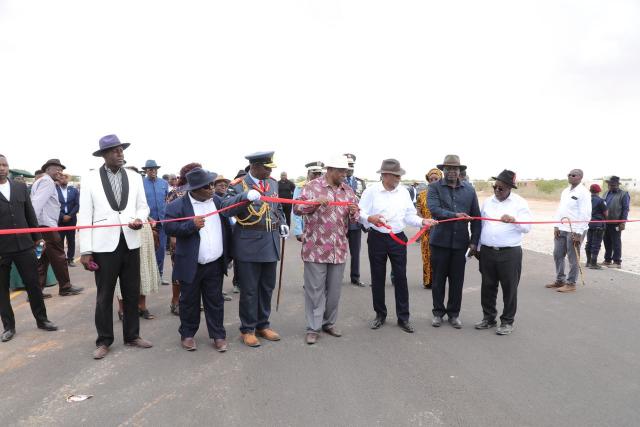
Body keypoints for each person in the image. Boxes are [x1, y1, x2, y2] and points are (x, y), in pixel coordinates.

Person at [78, 134, 153, 359]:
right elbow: (85, 215)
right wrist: (85, 250)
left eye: (121, 150)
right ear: (104, 155)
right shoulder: (90, 179)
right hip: (103, 246)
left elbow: (143, 207)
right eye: (115, 151)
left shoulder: (134, 177)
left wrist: (140, 218)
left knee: (131, 291)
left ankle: (132, 336)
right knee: (104, 295)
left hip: (131, 240)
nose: (120, 154)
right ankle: (104, 341)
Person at [359, 159, 437, 333]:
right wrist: (369, 218)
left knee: (401, 277)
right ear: (384, 175)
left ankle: (404, 318)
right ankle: (380, 314)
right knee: (377, 277)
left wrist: (423, 221)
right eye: (395, 176)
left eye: (399, 176)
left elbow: (409, 216)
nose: (398, 179)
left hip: (398, 239)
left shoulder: (404, 193)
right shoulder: (371, 192)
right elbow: (359, 212)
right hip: (377, 238)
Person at [221, 151, 288, 348]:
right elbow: (225, 209)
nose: (269, 171)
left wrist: (282, 223)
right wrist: (244, 197)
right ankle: (248, 329)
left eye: (270, 168)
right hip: (249, 242)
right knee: (250, 290)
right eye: (266, 167)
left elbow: (278, 207)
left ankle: (262, 325)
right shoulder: (238, 186)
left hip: (271, 240)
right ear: (254, 167)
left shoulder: (273, 183)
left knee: (267, 287)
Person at [293, 155, 359, 344]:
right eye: (340, 171)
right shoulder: (312, 186)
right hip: (315, 247)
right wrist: (314, 202)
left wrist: (354, 212)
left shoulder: (348, 190)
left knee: (335, 291)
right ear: (329, 170)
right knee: (315, 290)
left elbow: (354, 218)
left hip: (338, 248)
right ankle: (313, 327)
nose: (344, 175)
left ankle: (328, 323)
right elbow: (297, 208)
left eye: (346, 171)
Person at [165, 168, 232, 352]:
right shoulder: (176, 206)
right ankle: (187, 334)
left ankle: (218, 335)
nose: (212, 188)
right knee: (189, 301)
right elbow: (169, 229)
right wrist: (190, 225)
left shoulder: (219, 202)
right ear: (194, 189)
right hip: (190, 263)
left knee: (215, 301)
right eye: (207, 186)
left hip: (215, 263)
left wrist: (230, 255)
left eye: (212, 184)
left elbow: (228, 227)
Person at [0, 154, 58, 342]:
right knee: (2, 290)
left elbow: (30, 214)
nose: (2, 168)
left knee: (33, 285)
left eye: (5, 164)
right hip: (2, 249)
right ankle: (8, 327)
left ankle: (42, 320)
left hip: (25, 245)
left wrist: (38, 238)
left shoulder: (19, 187)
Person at [427, 155, 481, 329]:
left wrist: (474, 242)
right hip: (439, 242)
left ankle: (454, 314)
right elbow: (434, 210)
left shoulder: (469, 190)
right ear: (443, 170)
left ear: (460, 171)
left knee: (457, 281)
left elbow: (476, 218)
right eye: (448, 168)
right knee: (438, 280)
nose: (451, 171)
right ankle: (437, 313)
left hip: (460, 244)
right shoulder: (434, 187)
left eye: (455, 168)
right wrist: (455, 216)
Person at [475, 170, 531, 336]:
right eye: (495, 187)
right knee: (487, 287)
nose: (497, 191)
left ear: (510, 188)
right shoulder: (487, 202)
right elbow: (482, 225)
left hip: (509, 253)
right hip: (487, 252)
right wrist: (477, 247)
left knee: (509, 288)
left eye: (501, 188)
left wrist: (515, 221)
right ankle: (489, 318)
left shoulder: (520, 203)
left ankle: (507, 321)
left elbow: (527, 227)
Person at [30, 158, 83, 297]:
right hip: (47, 228)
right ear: (47, 169)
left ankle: (36, 292)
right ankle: (65, 287)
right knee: (59, 257)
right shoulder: (47, 182)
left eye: (61, 170)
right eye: (56, 169)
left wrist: (34, 229)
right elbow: (36, 204)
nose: (60, 172)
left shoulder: (40, 181)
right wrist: (34, 227)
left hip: (41, 228)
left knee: (41, 259)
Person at [166, 162, 203, 315]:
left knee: (196, 271)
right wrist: (173, 237)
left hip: (197, 236)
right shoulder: (175, 193)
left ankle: (193, 300)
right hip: (180, 237)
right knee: (180, 271)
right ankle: (176, 301)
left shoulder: (200, 192)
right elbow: (169, 219)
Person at [546, 169, 591, 293]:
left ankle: (571, 283)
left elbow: (586, 214)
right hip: (562, 228)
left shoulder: (583, 192)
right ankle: (560, 279)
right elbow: (560, 209)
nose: (570, 176)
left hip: (574, 230)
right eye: (569, 175)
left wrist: (579, 232)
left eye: (573, 175)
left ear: (580, 177)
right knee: (557, 254)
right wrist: (556, 226)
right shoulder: (565, 191)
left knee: (573, 257)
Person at [142, 160, 169, 285]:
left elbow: (167, 200)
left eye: (154, 169)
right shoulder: (141, 184)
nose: (152, 171)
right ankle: (148, 277)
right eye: (150, 169)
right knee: (147, 249)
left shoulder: (164, 183)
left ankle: (160, 275)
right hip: (147, 222)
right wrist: (147, 218)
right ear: (146, 171)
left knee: (161, 248)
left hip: (162, 221)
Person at [416, 168, 443, 289]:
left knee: (438, 257)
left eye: (436, 179)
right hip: (426, 231)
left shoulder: (444, 194)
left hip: (440, 230)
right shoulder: (421, 195)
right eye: (431, 179)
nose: (433, 181)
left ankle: (438, 281)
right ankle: (428, 281)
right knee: (426, 255)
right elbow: (418, 211)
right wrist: (424, 221)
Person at [344, 153, 367, 287]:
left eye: (351, 165)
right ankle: (335, 277)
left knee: (355, 252)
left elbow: (364, 203)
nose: (350, 167)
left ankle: (355, 277)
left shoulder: (360, 182)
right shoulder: (337, 181)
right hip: (339, 222)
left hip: (355, 222)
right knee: (337, 250)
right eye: (347, 165)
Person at [602, 176, 630, 269]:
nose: (611, 186)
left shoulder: (624, 194)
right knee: (606, 241)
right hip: (605, 222)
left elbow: (625, 209)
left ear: (617, 185)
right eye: (610, 184)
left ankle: (617, 261)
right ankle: (607, 260)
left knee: (616, 242)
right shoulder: (606, 193)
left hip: (616, 222)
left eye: (613, 185)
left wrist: (623, 222)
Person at [292, 161, 324, 241]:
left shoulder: (325, 188)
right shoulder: (301, 187)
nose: (317, 176)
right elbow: (296, 210)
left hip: (323, 227)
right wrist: (298, 231)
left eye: (319, 174)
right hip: (307, 226)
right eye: (314, 174)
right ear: (308, 173)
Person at [56, 173, 80, 267]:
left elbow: (77, 205)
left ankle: (70, 259)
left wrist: (69, 215)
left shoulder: (74, 190)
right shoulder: (55, 190)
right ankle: (61, 259)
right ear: (58, 180)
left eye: (65, 178)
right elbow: (53, 205)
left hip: (71, 219)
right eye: (61, 178)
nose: (63, 179)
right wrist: (62, 216)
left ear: (68, 179)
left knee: (71, 240)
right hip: (60, 220)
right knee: (59, 240)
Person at [585, 184, 607, 269]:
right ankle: (593, 263)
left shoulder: (587, 200)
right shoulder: (601, 201)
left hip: (588, 224)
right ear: (599, 191)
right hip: (598, 224)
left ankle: (588, 262)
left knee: (589, 242)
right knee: (596, 244)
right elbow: (606, 213)